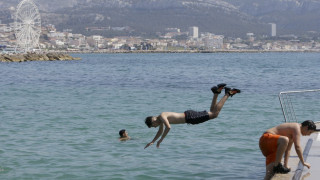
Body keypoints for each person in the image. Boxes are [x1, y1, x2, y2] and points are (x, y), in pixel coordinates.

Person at [144, 83, 240, 149]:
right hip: (190, 116)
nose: (155, 127)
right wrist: (153, 141)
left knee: (214, 114)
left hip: (190, 117)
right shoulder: (161, 118)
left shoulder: (162, 116)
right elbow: (160, 131)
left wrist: (161, 140)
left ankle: (228, 93)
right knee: (212, 112)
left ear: (153, 121)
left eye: (153, 126)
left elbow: (168, 127)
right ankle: (216, 92)